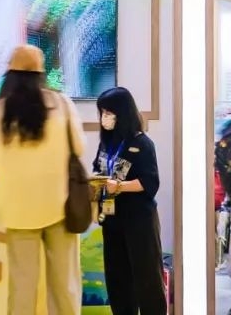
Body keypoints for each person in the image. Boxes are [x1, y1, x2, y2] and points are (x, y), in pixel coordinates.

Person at [0, 45, 85, 315]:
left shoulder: (0, 112)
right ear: (41, 73)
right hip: (59, 205)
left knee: (22, 286)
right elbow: (79, 147)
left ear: (11, 75)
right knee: (65, 285)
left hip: (17, 210)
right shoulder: (61, 104)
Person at [93, 86, 166, 315]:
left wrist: (120, 186)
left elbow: (150, 182)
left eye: (109, 112)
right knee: (117, 279)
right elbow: (98, 169)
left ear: (122, 113)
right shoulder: (107, 143)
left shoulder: (142, 144)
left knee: (147, 278)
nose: (104, 117)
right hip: (112, 220)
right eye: (102, 112)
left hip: (139, 221)